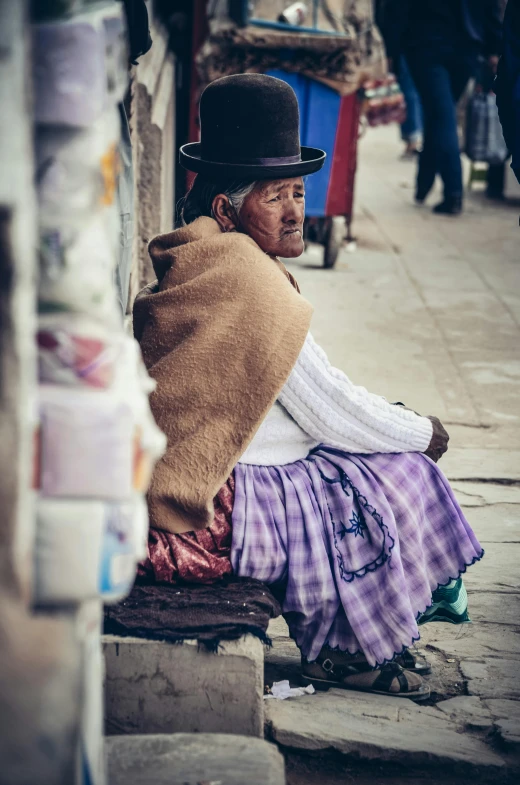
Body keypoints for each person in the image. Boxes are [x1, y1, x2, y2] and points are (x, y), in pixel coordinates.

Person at [134, 74, 483, 700]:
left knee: (355, 462)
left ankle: (362, 639)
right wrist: (422, 432)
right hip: (208, 512)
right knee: (380, 477)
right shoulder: (245, 278)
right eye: (276, 197)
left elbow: (299, 394)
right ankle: (346, 654)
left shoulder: (206, 257)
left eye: (299, 191)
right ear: (227, 209)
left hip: (189, 489)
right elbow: (330, 409)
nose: (297, 211)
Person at [383, 0, 503, 215]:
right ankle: (424, 184)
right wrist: (493, 47)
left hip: (428, 43)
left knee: (442, 115)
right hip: (464, 45)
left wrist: (390, 48)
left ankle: (453, 193)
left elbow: (396, 7)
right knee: (439, 113)